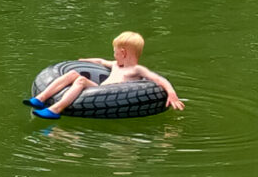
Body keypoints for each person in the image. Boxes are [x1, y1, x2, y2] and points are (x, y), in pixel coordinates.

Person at [24, 31, 186, 119]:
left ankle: (56, 109)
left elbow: (159, 79)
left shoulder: (137, 70)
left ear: (123, 52)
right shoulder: (115, 64)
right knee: (73, 73)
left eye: (114, 52)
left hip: (113, 95)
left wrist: (171, 94)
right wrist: (84, 60)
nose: (113, 55)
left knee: (80, 80)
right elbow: (101, 62)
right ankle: (40, 99)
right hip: (98, 89)